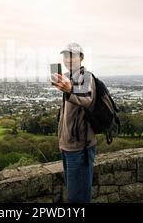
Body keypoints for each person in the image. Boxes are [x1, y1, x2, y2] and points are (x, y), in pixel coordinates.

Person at [51, 42, 96, 203]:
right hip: (67, 145)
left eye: (72, 55)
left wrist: (70, 90)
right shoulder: (69, 78)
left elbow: (87, 100)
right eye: (65, 56)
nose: (68, 59)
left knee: (77, 198)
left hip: (80, 147)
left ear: (81, 57)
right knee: (73, 194)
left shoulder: (86, 76)